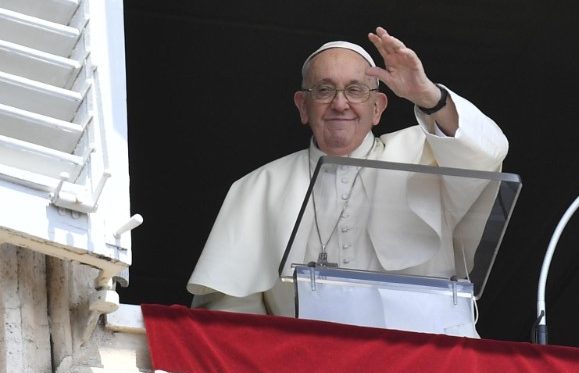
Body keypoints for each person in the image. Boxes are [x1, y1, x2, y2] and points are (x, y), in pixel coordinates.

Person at [187, 27, 509, 323]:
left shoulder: (426, 156)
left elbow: (488, 153)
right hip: (307, 368)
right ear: (303, 106)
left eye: (355, 90)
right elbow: (230, 311)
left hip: (425, 358)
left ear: (379, 108)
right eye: (324, 90)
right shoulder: (258, 188)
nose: (340, 104)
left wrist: (428, 96)